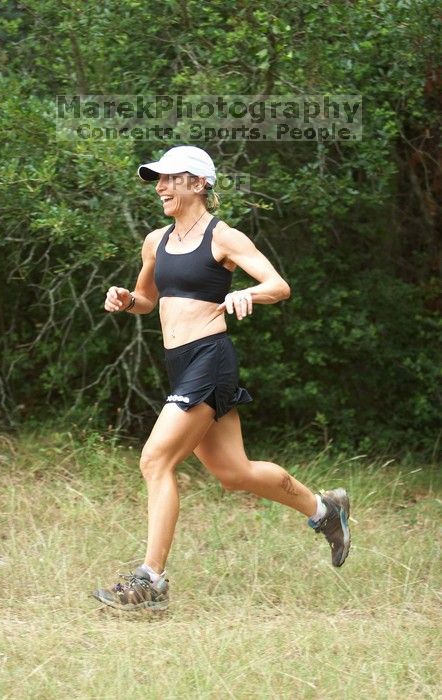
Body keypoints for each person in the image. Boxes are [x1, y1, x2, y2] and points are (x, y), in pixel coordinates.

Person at [92, 145, 350, 611]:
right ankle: (324, 510)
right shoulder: (155, 241)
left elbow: (278, 285)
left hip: (211, 358)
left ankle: (150, 581)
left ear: (199, 183)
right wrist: (126, 299)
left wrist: (247, 294)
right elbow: (149, 300)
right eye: (158, 179)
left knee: (155, 461)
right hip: (180, 359)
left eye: (170, 178)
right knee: (234, 473)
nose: (161, 186)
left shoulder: (223, 236)